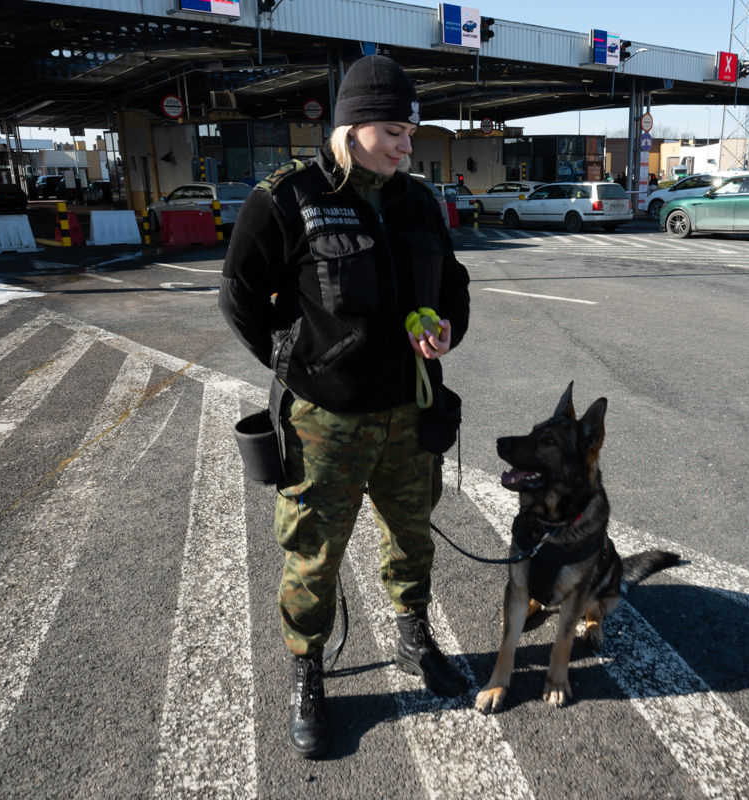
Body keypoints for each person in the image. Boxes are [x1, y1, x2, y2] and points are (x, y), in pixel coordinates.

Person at [219, 54, 471, 760]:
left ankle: (413, 634)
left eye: (410, 134)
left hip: (409, 412)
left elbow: (453, 282)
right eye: (393, 132)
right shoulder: (289, 197)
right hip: (323, 423)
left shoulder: (418, 202)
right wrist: (298, 367)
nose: (404, 147)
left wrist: (447, 326)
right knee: (313, 554)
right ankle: (308, 670)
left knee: (412, 535)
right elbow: (239, 294)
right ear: (352, 127)